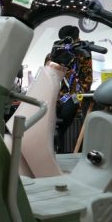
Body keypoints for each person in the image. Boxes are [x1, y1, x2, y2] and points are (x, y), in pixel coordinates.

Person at [48, 25, 93, 153]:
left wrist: (79, 94)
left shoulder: (83, 54)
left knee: (67, 111)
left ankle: (59, 146)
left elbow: (87, 79)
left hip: (75, 94)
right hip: (56, 94)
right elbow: (48, 75)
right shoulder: (54, 53)